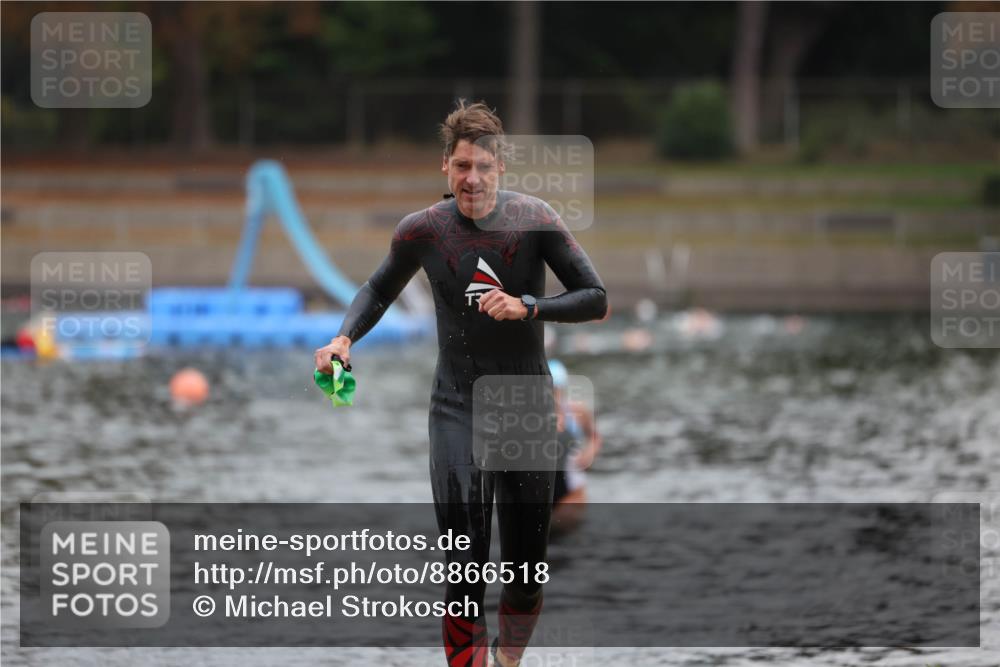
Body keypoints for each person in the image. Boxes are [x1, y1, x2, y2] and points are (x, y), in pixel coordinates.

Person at [314, 101, 608, 667]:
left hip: (523, 405)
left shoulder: (535, 220)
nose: (472, 179)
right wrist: (344, 340)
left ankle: (507, 661)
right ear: (445, 167)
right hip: (456, 406)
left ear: (501, 169)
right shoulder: (422, 231)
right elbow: (376, 291)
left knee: (524, 571)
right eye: (462, 167)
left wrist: (528, 306)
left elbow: (595, 299)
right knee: (464, 564)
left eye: (483, 168)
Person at [548, 360, 602, 535]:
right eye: (549, 389)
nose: (554, 394)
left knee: (568, 535)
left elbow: (595, 436)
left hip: (572, 489)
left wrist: (589, 454)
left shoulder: (578, 412)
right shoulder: (530, 415)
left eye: (557, 389)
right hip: (543, 488)